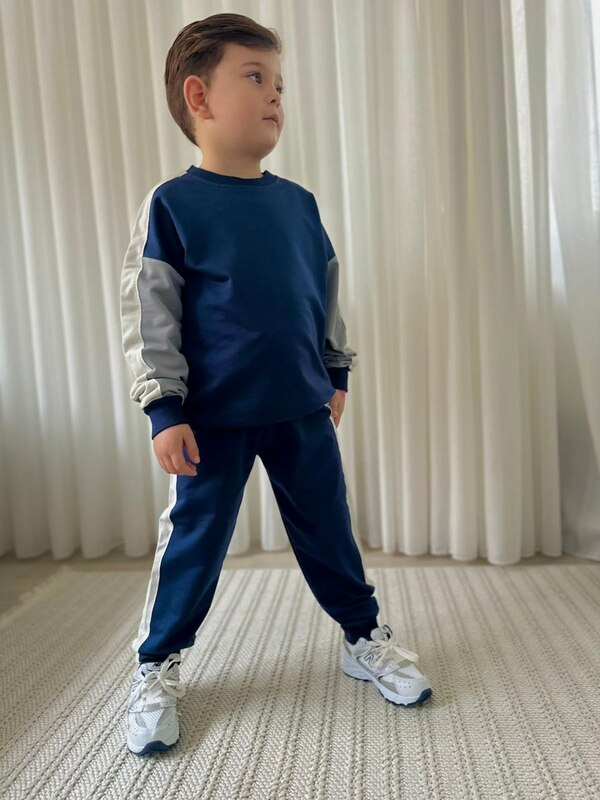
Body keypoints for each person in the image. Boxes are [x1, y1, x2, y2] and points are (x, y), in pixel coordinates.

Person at [120, 12, 432, 757]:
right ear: (199, 96)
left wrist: (335, 369)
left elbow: (322, 292)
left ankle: (362, 636)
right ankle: (156, 665)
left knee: (329, 530)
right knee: (194, 543)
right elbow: (150, 312)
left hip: (299, 408)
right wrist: (164, 408)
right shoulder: (173, 205)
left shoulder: (298, 204)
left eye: (280, 85)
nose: (275, 96)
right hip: (211, 419)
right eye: (255, 78)